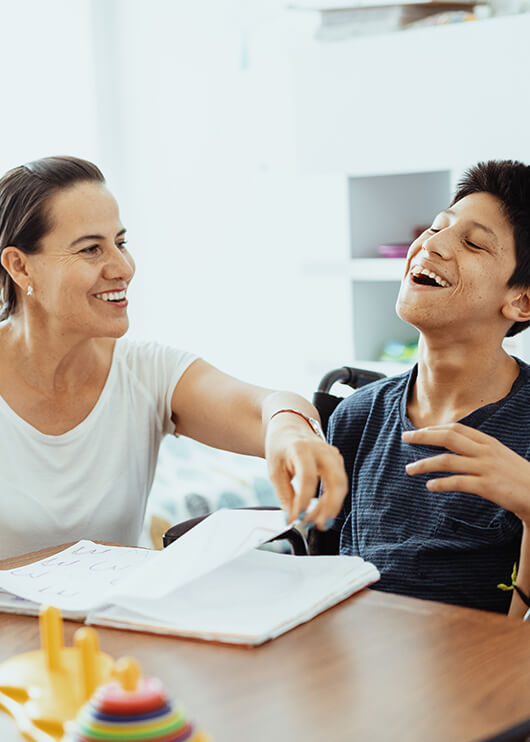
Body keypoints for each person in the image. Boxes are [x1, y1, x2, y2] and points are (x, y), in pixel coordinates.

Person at [0, 155, 347, 560]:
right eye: (91, 249)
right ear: (19, 266)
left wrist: (290, 429)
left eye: (121, 242)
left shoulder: (147, 373)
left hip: (113, 620)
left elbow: (264, 407)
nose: (123, 267)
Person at [327, 159, 530, 617]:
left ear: (522, 301)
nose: (432, 245)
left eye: (474, 244)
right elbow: (325, 587)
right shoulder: (356, 418)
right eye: (437, 227)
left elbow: (518, 643)